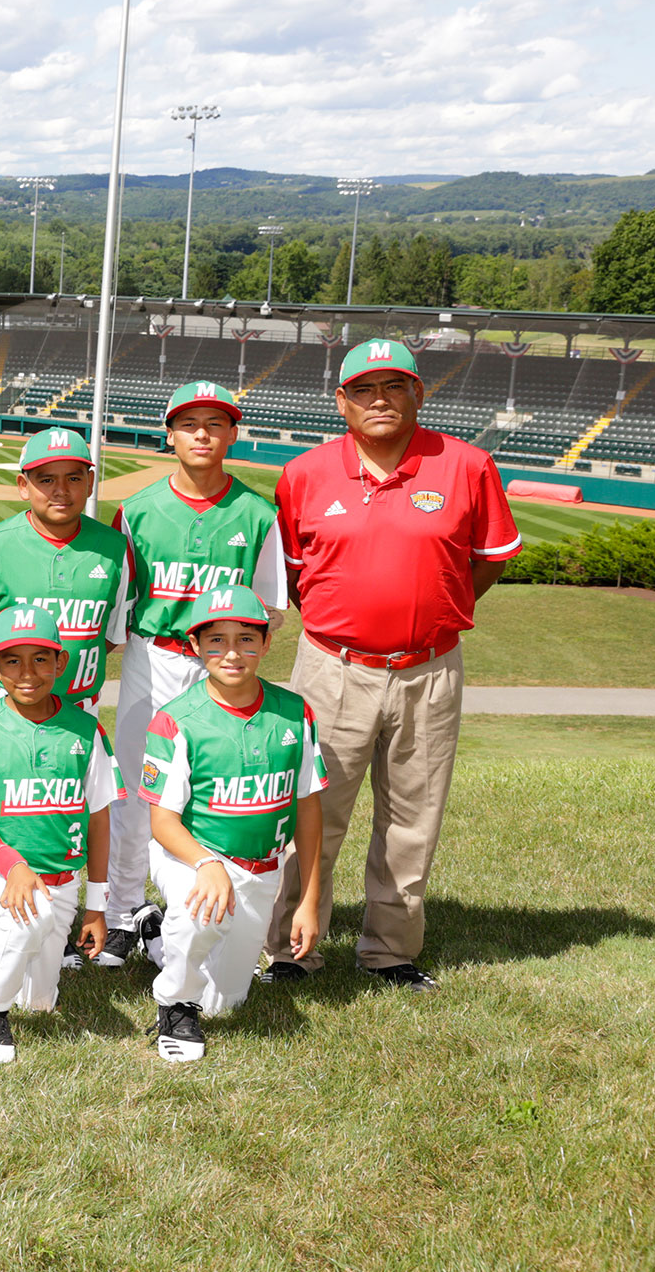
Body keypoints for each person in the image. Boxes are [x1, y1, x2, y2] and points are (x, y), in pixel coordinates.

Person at [261, 339, 521, 991]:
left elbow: (489, 559)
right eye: (365, 389)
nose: (381, 399)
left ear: (418, 395)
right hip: (331, 668)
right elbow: (295, 575)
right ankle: (291, 949)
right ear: (341, 401)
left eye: (396, 386)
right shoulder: (304, 474)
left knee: (413, 818)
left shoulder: (467, 465)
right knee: (310, 813)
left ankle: (389, 952)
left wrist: (436, 607)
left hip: (429, 670)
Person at [105, 382, 284, 970]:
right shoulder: (137, 509)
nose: (203, 433)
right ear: (171, 435)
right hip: (153, 656)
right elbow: (120, 598)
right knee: (138, 789)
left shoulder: (258, 514)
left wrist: (231, 665)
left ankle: (193, 906)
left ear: (233, 433)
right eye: (190, 424)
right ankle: (123, 913)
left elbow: (269, 608)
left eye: (216, 423)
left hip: (221, 666)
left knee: (210, 793)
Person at [0, 424, 129, 973]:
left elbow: (113, 633)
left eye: (74, 478)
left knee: (57, 813)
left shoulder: (114, 548)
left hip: (77, 712)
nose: (60, 490)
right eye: (45, 479)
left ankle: (63, 910)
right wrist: (5, 683)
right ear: (24, 484)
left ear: (90, 481)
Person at [138, 587, 325, 1062]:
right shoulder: (175, 719)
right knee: (199, 916)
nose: (232, 652)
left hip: (262, 868)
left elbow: (308, 809)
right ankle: (174, 1007)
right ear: (196, 647)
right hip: (192, 854)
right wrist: (206, 863)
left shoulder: (294, 711)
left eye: (246, 638)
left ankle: (156, 936)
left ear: (265, 644)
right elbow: (161, 821)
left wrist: (308, 901)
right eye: (216, 640)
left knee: (226, 1003)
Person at [0, 606, 122, 1064]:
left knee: (39, 1002)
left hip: (60, 879)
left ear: (61, 663)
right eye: (12, 660)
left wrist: (97, 906)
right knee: (28, 911)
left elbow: (99, 818)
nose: (27, 672)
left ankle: (3, 946)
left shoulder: (86, 729)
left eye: (41, 659)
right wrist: (13, 866)